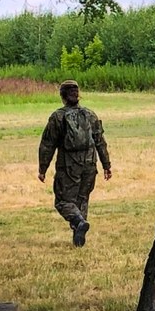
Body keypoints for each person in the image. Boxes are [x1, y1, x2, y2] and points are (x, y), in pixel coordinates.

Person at [38, 80, 112, 247]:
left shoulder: (58, 117)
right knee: (82, 198)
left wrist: (42, 168)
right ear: (78, 95)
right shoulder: (90, 115)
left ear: (62, 96)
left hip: (69, 165)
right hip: (90, 163)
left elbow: (47, 144)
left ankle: (78, 222)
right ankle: (78, 238)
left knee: (63, 201)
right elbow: (100, 141)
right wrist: (106, 165)